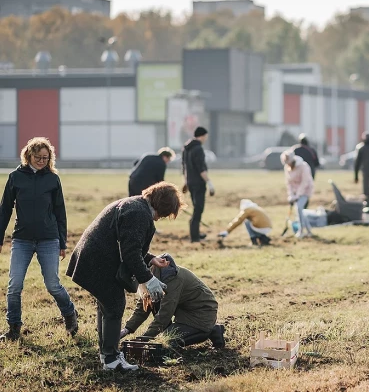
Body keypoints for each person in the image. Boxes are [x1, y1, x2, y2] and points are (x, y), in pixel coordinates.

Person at [66, 182, 185, 371]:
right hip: (97, 261)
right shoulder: (138, 213)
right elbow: (130, 253)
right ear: (161, 205)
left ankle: (107, 354)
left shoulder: (135, 205)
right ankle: (112, 360)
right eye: (164, 214)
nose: (160, 218)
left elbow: (129, 245)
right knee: (114, 306)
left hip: (93, 259)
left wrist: (151, 259)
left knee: (107, 305)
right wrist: (149, 279)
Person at [0, 137, 78, 342]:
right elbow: (5, 210)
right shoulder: (15, 177)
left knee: (52, 284)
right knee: (14, 285)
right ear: (28, 155)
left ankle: (70, 314)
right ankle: (14, 328)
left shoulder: (53, 179)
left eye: (45, 157)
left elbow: (60, 212)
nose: (42, 161)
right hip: (22, 240)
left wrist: (62, 242)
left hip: (48, 239)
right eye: (38, 157)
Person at [120, 254, 225, 348]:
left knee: (166, 341)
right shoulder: (152, 274)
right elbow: (144, 306)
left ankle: (211, 330)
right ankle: (203, 328)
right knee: (156, 310)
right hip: (185, 313)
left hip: (201, 315)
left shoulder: (170, 278)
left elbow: (165, 313)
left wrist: (144, 339)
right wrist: (126, 329)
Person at [182, 127, 214, 243]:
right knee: (199, 209)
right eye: (206, 136)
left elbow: (184, 167)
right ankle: (194, 237)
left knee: (196, 207)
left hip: (190, 182)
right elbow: (201, 168)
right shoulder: (198, 149)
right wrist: (209, 183)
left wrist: (185, 182)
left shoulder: (186, 148)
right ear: (203, 135)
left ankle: (195, 233)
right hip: (199, 183)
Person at [280, 151, 315, 238]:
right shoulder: (287, 168)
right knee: (300, 210)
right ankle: (309, 231)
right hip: (295, 192)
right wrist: (291, 195)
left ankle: (301, 230)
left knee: (299, 208)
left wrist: (298, 195)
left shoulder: (303, 166)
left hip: (306, 190)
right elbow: (289, 183)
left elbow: (305, 182)